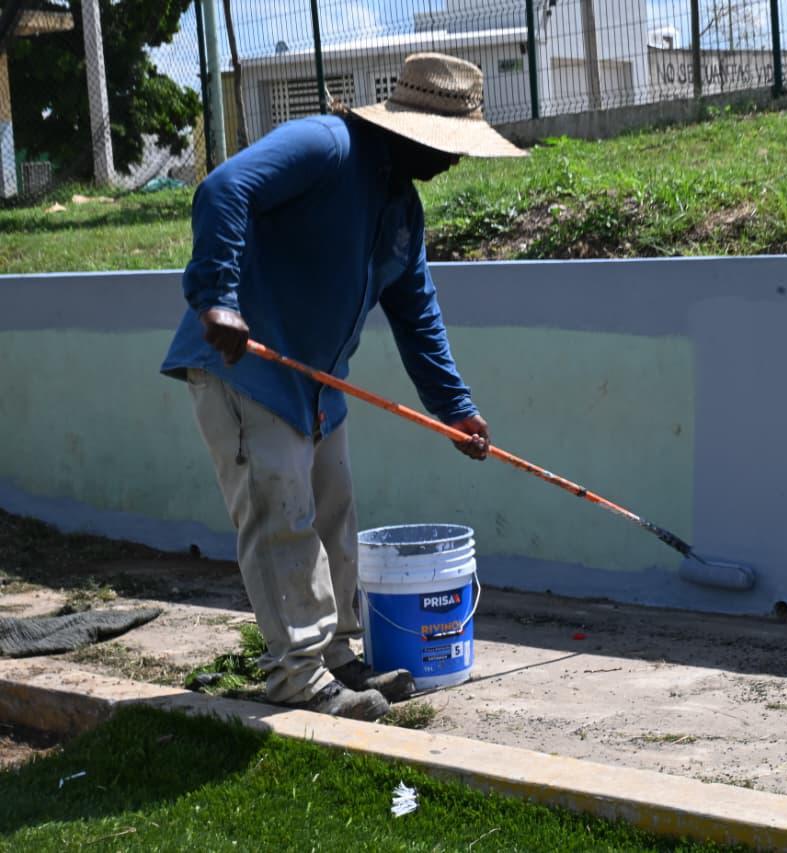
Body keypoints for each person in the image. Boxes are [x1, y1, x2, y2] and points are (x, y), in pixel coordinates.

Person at [161, 53, 525, 721]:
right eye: (448, 144)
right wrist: (218, 297)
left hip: (318, 387)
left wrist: (456, 408)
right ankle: (296, 675)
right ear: (411, 130)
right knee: (282, 519)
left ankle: (336, 654)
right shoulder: (325, 145)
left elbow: (417, 313)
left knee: (334, 515)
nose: (454, 160)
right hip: (247, 367)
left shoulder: (401, 210)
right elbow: (222, 189)